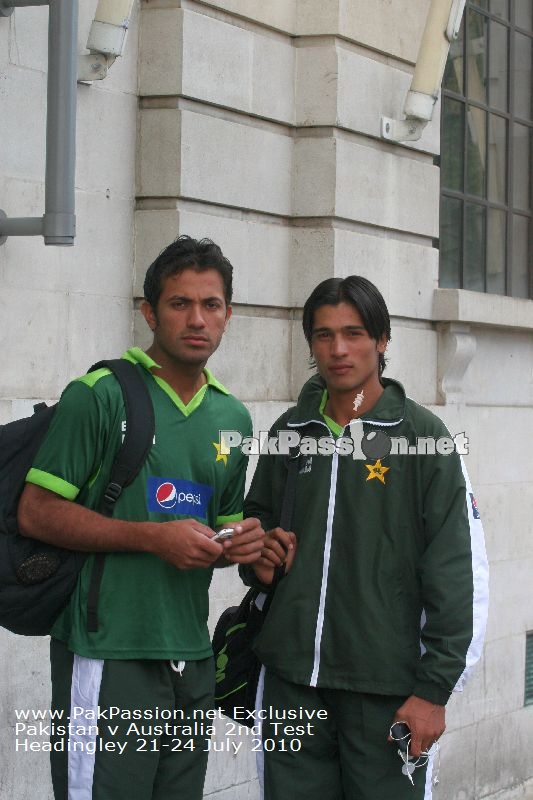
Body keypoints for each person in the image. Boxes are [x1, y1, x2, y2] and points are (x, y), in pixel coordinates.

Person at [17, 235, 265, 800]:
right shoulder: (99, 395)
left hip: (191, 658)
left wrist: (244, 544)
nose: (197, 318)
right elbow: (37, 513)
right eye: (180, 304)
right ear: (150, 312)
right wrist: (153, 539)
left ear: (228, 316)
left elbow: (217, 528)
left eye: (212, 305)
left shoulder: (232, 415)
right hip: (108, 654)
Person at [242, 275, 489, 800]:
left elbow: (458, 572)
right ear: (310, 344)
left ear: (382, 340)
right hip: (292, 685)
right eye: (324, 335)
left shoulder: (425, 439)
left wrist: (435, 690)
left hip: (389, 694)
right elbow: (258, 531)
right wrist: (257, 559)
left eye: (354, 333)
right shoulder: (290, 431)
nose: (338, 349)